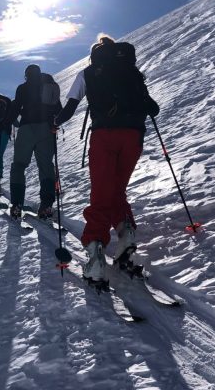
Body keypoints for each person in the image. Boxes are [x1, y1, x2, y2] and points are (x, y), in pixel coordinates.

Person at [53, 35, 159, 286]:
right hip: (133, 136)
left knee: (101, 193)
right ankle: (126, 236)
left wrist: (54, 123)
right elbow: (152, 108)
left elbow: (70, 107)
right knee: (117, 190)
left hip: (105, 136)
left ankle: (95, 257)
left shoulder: (88, 73)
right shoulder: (131, 71)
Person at [7, 64, 62, 219]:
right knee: (46, 166)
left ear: (26, 75)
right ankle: (46, 205)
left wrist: (7, 123)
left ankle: (17, 204)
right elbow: (58, 108)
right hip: (46, 129)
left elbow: (15, 108)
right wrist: (53, 123)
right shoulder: (49, 86)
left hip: (26, 128)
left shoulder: (22, 88)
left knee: (19, 166)